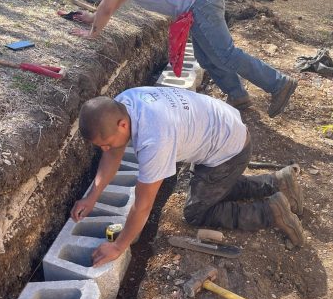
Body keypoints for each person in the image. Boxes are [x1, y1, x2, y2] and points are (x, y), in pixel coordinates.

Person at [71, 86, 304, 267]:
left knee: (196, 212)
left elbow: (143, 206)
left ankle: (271, 212)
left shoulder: (155, 140)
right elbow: (113, 153)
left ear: (122, 125)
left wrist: (119, 246)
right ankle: (279, 182)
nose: (105, 149)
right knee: (215, 187)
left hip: (229, 150)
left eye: (106, 143)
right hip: (223, 129)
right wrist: (93, 196)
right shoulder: (125, 102)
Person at [71, 0, 298, 117]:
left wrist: (94, 34)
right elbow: (114, 3)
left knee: (225, 53)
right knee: (206, 56)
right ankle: (238, 95)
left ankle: (279, 83)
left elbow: (108, 6)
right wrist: (93, 18)